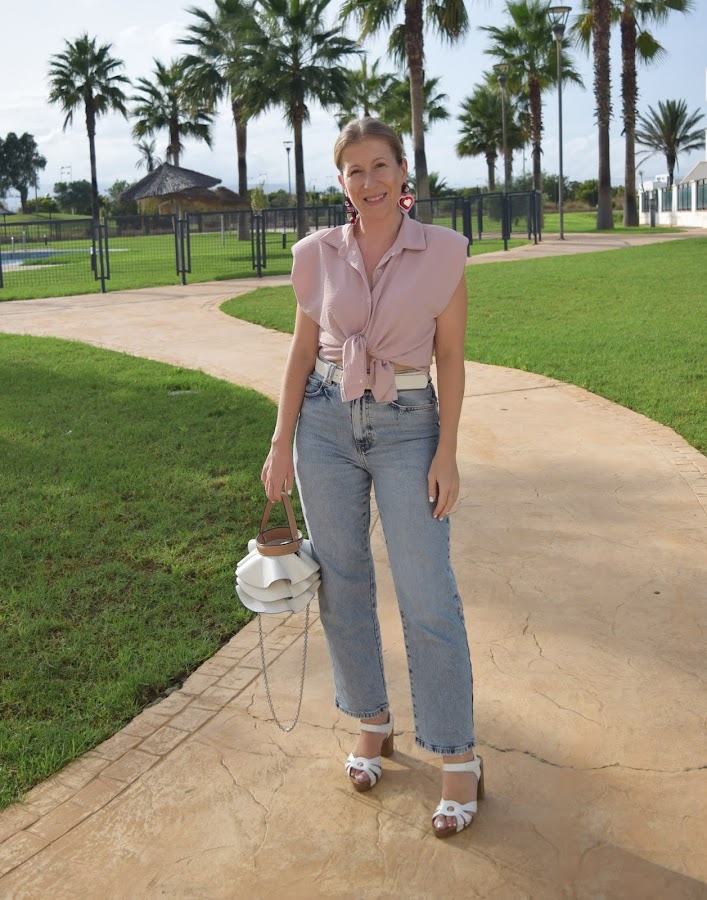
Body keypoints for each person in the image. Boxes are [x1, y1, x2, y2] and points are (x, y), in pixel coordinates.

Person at [261, 117, 482, 838]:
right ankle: (372, 722)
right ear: (341, 182)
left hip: (408, 425)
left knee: (426, 592)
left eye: (380, 166)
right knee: (343, 582)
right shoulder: (315, 254)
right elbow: (301, 353)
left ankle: (456, 755)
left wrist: (447, 451)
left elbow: (450, 359)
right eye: (354, 171)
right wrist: (280, 443)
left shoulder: (443, 251)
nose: (369, 181)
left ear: (402, 170)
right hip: (324, 425)